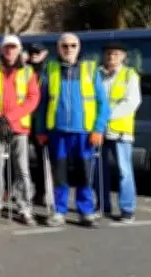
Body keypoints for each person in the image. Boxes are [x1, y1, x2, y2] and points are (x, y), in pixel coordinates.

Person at [36, 33, 110, 227]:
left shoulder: (90, 70)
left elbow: (103, 103)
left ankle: (85, 211)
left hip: (84, 133)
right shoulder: (50, 69)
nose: (69, 49)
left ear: (79, 47)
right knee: (59, 174)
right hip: (58, 132)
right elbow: (42, 103)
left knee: (84, 174)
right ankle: (59, 211)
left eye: (73, 45)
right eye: (64, 46)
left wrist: (98, 129)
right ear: (58, 48)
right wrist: (41, 130)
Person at [0, 35, 40, 224]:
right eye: (7, 48)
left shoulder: (28, 72)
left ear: (19, 50)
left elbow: (32, 99)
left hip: (18, 127)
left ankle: (24, 207)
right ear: (1, 50)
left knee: (22, 168)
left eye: (13, 48)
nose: (10, 51)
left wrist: (9, 118)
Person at [95, 42, 141, 222]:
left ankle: (127, 208)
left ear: (123, 56)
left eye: (115, 54)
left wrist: (105, 117)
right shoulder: (97, 74)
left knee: (124, 171)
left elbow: (131, 102)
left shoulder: (129, 74)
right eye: (108, 54)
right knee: (99, 170)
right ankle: (102, 205)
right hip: (99, 130)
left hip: (120, 131)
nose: (111, 58)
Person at [26, 43, 49, 205]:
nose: (34, 55)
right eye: (32, 52)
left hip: (42, 120)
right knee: (20, 159)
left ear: (45, 53)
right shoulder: (24, 70)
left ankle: (42, 192)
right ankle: (18, 189)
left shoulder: (48, 71)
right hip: (24, 120)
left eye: (37, 52)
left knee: (43, 159)